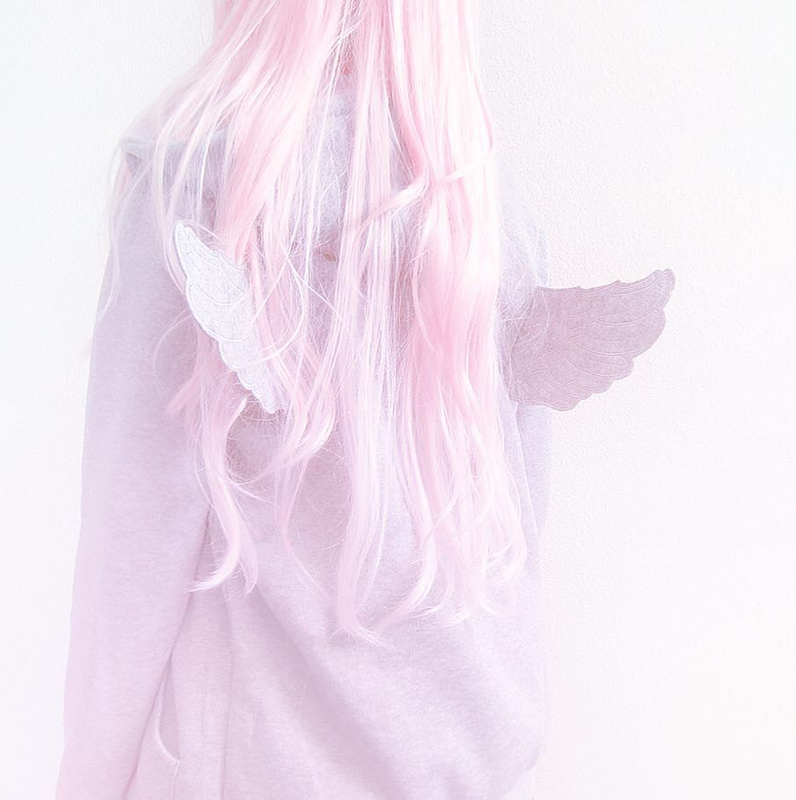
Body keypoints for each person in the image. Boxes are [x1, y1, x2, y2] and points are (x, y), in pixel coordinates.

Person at [54, 1, 675, 798]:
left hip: (259, 765)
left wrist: (87, 778)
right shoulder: (484, 214)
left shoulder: (200, 198)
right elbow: (518, 522)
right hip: (468, 751)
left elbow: (133, 545)